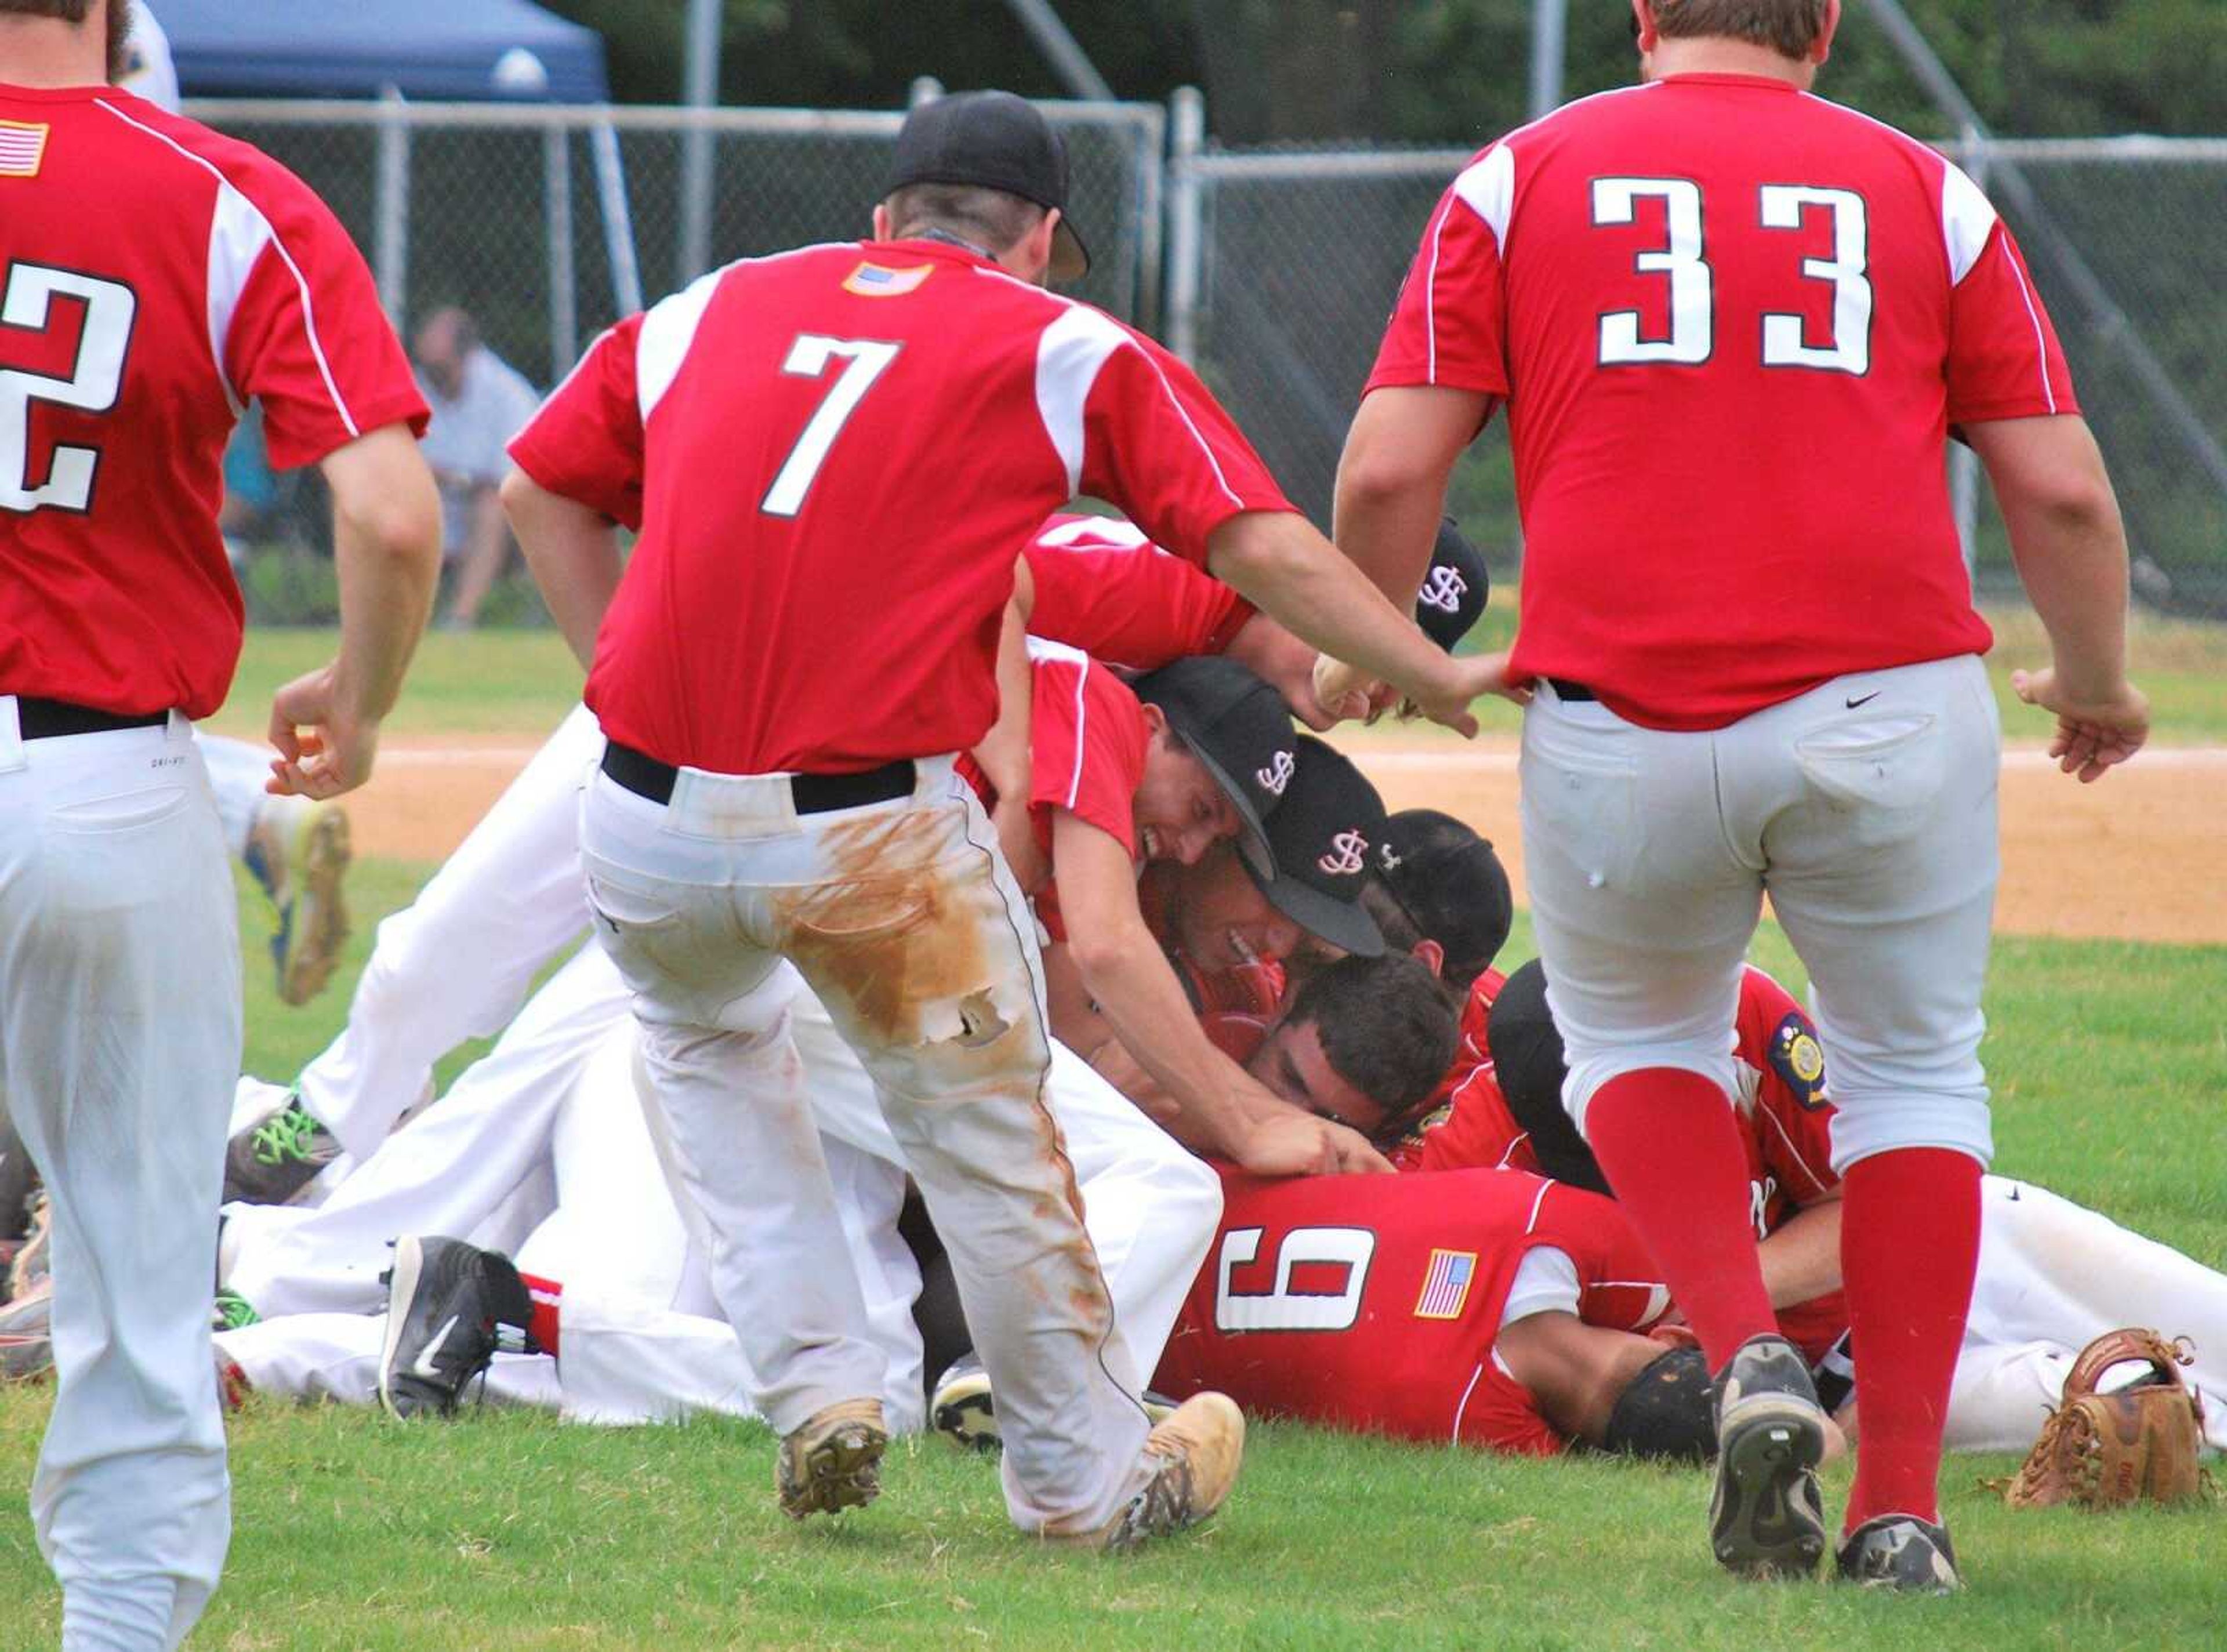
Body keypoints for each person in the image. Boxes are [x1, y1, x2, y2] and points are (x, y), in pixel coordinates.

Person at [503, 88, 1513, 1548]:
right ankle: (1077, 1483)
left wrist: (628, 699)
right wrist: (1421, 664)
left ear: (883, 220)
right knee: (987, 1134)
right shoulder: (1053, 339)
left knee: (708, 1059)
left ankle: (820, 1395)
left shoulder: (704, 307)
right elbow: (1256, 539)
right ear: (1040, 238)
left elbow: (541, 489)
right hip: (864, 826)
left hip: (643, 816)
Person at [1331, 0, 2148, 1591]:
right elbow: (2058, 483)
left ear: (1642, 16)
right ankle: (1899, 1511)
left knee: (1636, 1038)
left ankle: (1744, 1352)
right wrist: (2100, 679)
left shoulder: (1516, 179)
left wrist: (1376, 645)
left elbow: (1378, 475)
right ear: (1827, 25)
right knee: (1914, 1082)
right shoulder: (1926, 188)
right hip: (1883, 708)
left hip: (1619, 713)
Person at [0, 2, 439, 1644]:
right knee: (128, 1280)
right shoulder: (217, 190)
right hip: (98, 782)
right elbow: (393, 512)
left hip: (97, 773)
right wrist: (366, 692)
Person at [1482, 957, 2227, 1456]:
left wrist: (1711, 1294)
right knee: (2150, 1418)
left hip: (1964, 1239)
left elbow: (1867, 1200)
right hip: (1850, 1387)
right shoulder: (1482, 1145)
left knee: (2213, 1319)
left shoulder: (1740, 1019)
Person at [413, 306, 541, 629]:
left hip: (504, 524)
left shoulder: (507, 393)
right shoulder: (415, 386)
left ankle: (461, 616)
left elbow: (515, 478)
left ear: (462, 352)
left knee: (490, 502)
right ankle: (383, 617)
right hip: (430, 507)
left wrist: (454, 478)